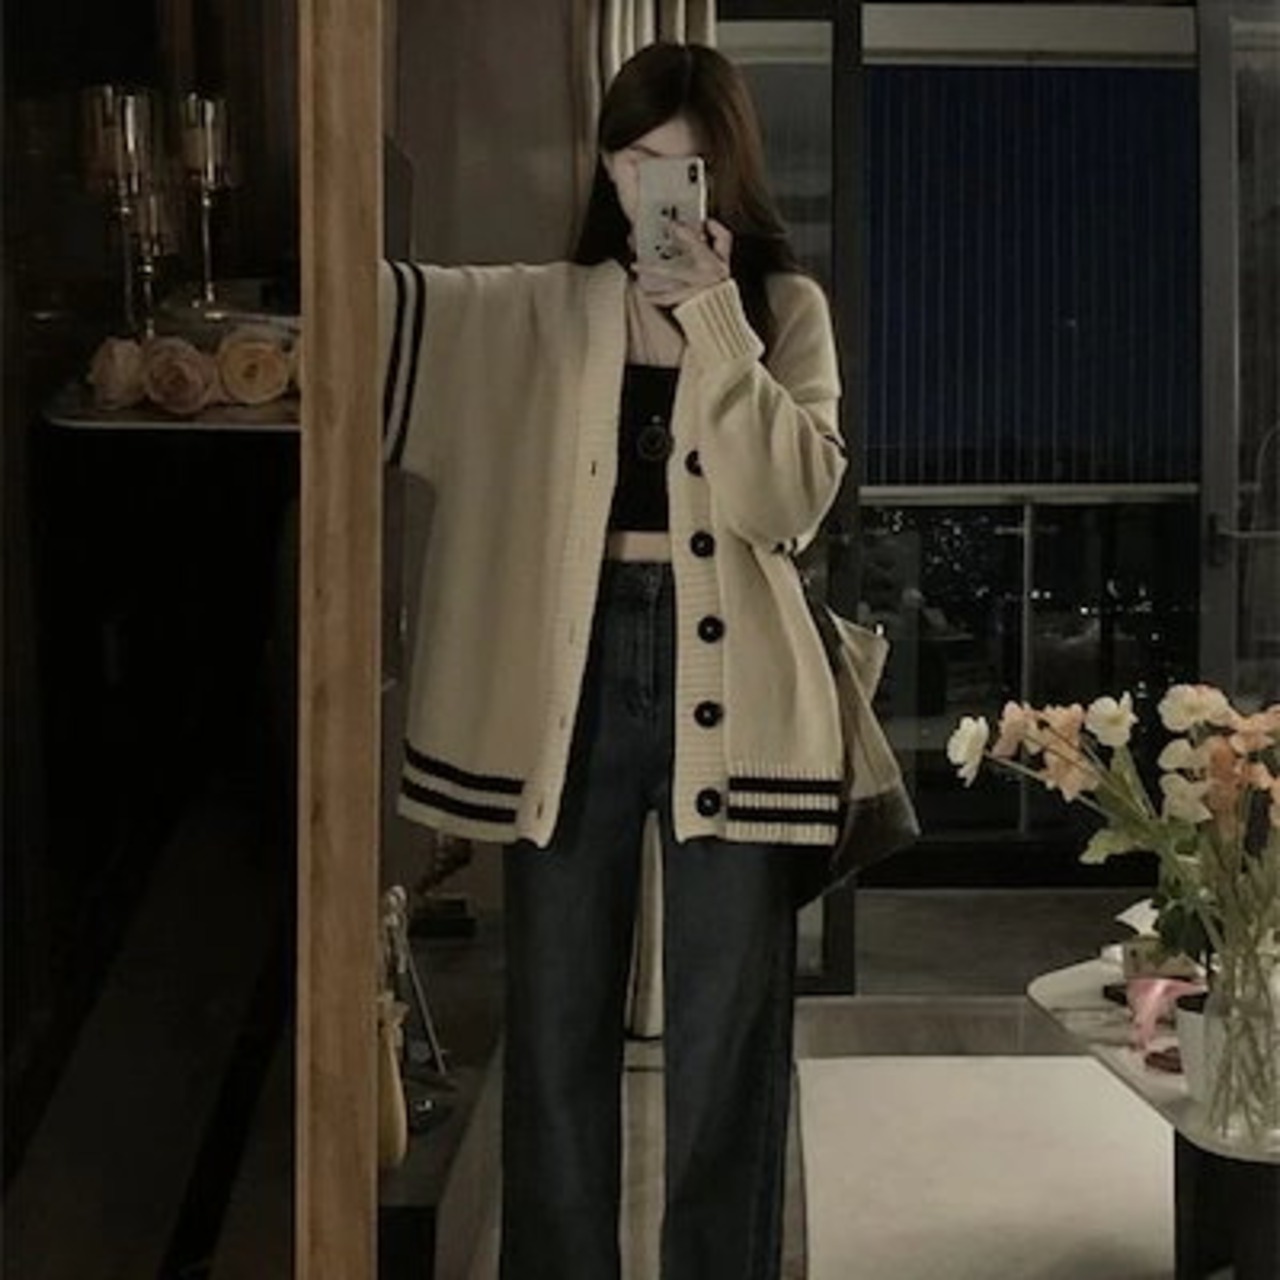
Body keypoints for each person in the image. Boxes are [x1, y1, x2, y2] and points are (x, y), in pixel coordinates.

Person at [380, 41, 846, 1280]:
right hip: (570, 681)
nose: (658, 190)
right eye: (636, 161)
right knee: (554, 1034)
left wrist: (713, 321)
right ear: (603, 164)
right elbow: (370, 318)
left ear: (727, 175)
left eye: (686, 168)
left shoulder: (782, 311)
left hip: (737, 695)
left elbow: (789, 504)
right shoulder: (535, 309)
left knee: (725, 1046)